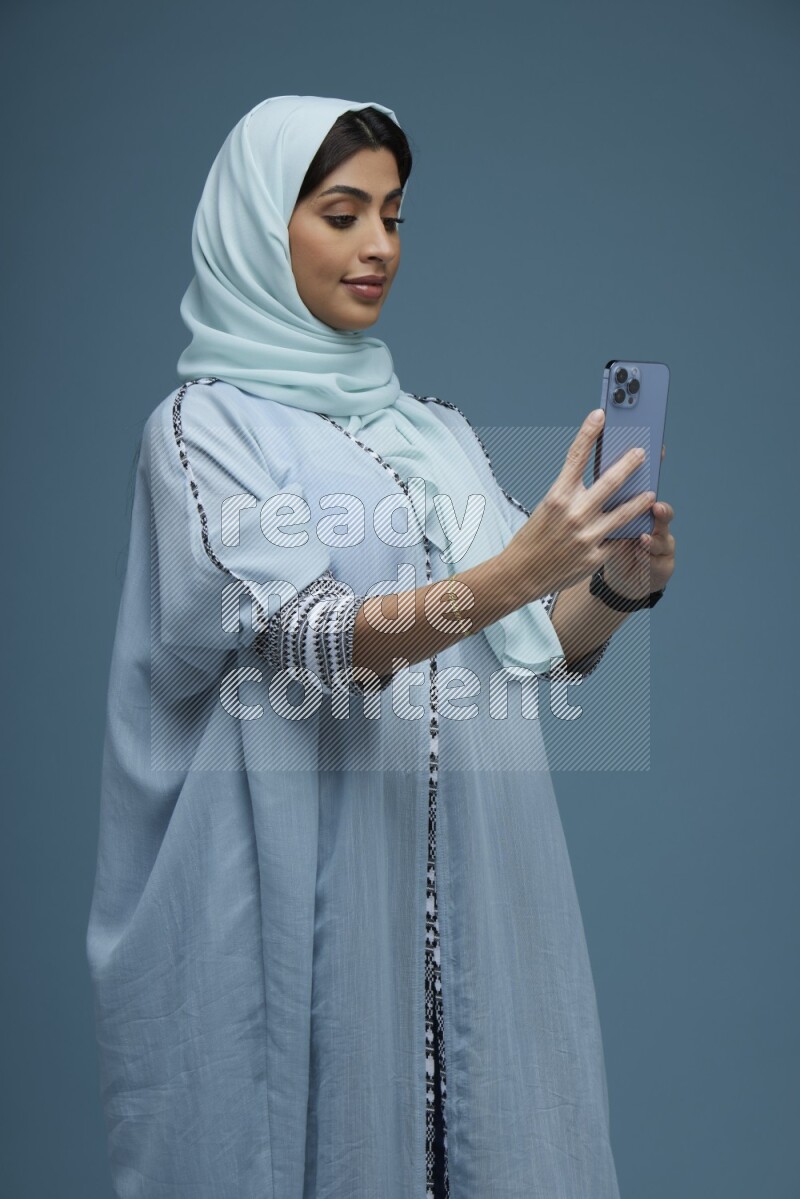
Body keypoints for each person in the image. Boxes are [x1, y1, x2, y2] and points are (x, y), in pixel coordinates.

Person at [85, 95, 676, 1199]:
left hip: (471, 903)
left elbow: (533, 650)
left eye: (393, 217)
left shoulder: (428, 431)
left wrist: (611, 587)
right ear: (259, 229)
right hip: (309, 904)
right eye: (341, 212)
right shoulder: (203, 431)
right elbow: (315, 642)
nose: (378, 247)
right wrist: (519, 570)